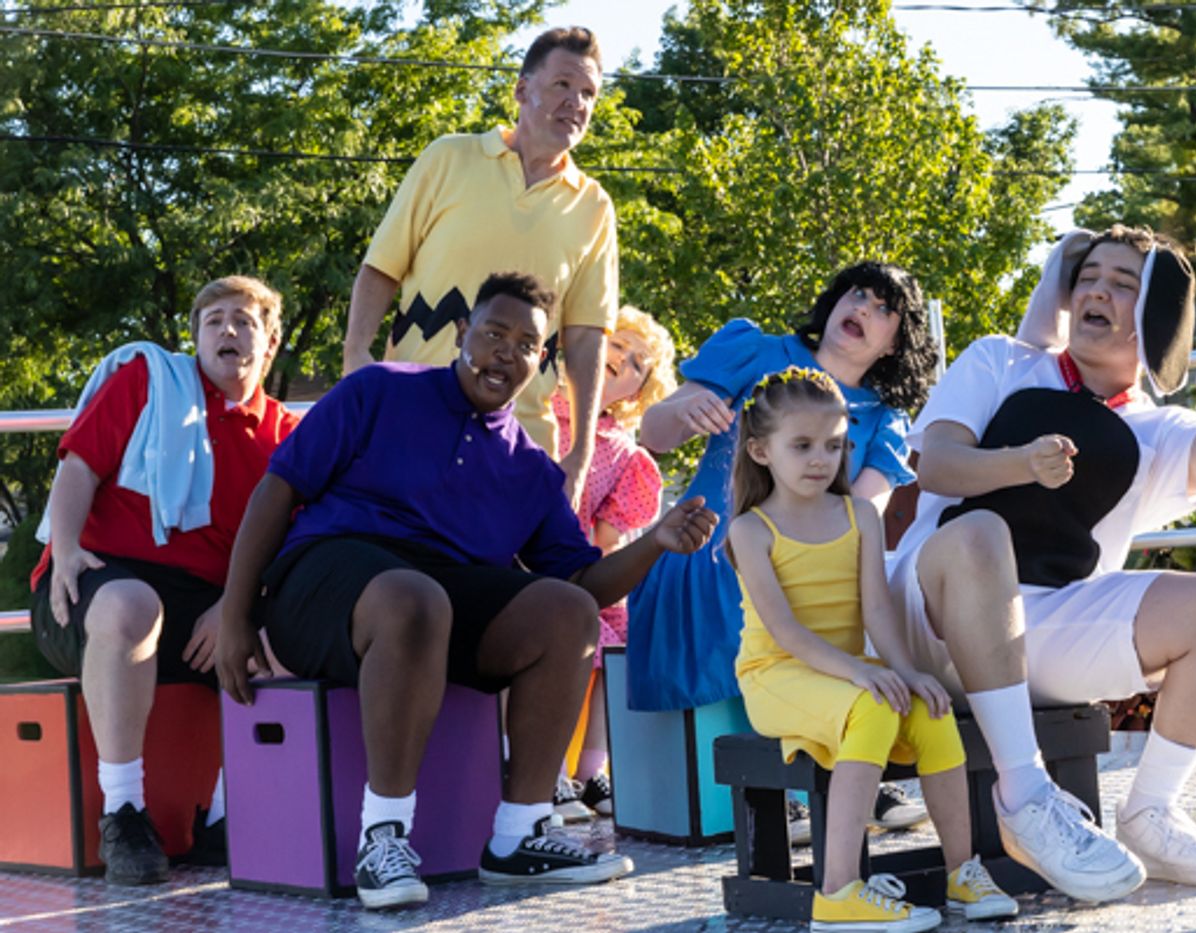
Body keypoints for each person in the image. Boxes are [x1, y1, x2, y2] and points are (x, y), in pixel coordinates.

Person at [215, 272, 717, 911]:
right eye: (493, 333)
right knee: (413, 597)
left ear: (543, 363)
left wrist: (654, 543)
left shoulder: (530, 467)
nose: (505, 352)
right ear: (462, 334)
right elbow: (276, 489)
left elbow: (583, 582)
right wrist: (235, 614)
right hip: (323, 580)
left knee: (564, 610)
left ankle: (521, 837)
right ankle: (384, 837)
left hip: (437, 604)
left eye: (526, 344)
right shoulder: (378, 389)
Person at [887, 225, 1196, 903]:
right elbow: (936, 461)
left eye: (1122, 284)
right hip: (929, 617)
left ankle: (1151, 811)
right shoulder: (999, 360)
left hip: (1044, 631)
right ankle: (1025, 794)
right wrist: (1020, 463)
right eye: (1088, 276)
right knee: (981, 535)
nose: (1097, 290)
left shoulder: (1152, 427)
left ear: (1154, 313)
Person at [629, 261, 938, 836]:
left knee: (825, 577)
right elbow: (654, 435)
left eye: (883, 309)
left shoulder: (887, 420)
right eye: (858, 294)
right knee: (747, 560)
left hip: (808, 571)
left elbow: (858, 523)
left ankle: (848, 764)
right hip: (706, 552)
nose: (863, 309)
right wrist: (680, 413)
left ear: (897, 341)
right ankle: (796, 778)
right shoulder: (752, 350)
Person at [29, 275, 298, 885]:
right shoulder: (150, 385)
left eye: (244, 320)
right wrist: (65, 551)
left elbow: (288, 552)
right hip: (96, 586)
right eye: (213, 321)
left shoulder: (288, 437)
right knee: (134, 604)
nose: (227, 330)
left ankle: (230, 818)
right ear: (196, 337)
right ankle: (124, 814)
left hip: (210, 605)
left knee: (294, 636)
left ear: (272, 341)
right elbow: (78, 467)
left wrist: (237, 606)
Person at [728, 367, 1018, 931]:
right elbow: (785, 633)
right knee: (874, 702)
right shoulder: (752, 529)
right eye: (803, 445)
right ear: (761, 451)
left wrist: (908, 671)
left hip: (841, 672)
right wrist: (862, 676)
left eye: (834, 446)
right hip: (776, 675)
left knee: (929, 710)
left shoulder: (859, 514)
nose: (821, 459)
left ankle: (962, 873)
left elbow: (878, 612)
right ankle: (838, 892)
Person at [342, 26, 617, 506]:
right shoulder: (448, 157)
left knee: (502, 581)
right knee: (394, 569)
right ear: (521, 90)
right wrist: (355, 356)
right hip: (409, 412)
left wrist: (581, 450)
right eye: (563, 86)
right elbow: (381, 266)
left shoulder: (594, 207)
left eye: (589, 93)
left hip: (518, 441)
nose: (577, 102)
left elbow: (588, 335)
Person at [549, 305, 676, 822]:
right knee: (554, 639)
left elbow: (608, 538)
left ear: (640, 392)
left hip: (584, 567)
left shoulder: (623, 453)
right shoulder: (537, 414)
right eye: (616, 345)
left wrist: (595, 586)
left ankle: (590, 770)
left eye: (638, 362)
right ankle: (549, 770)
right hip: (524, 561)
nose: (621, 359)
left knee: (615, 636)